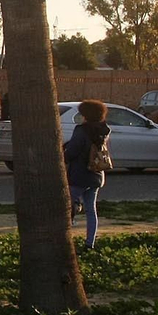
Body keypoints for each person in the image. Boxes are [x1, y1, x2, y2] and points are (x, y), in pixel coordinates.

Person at [65, 99, 111, 250]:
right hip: (96, 175)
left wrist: (63, 156)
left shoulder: (82, 131)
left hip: (79, 174)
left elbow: (72, 151)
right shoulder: (103, 131)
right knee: (91, 210)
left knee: (67, 207)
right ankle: (89, 243)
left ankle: (65, 240)